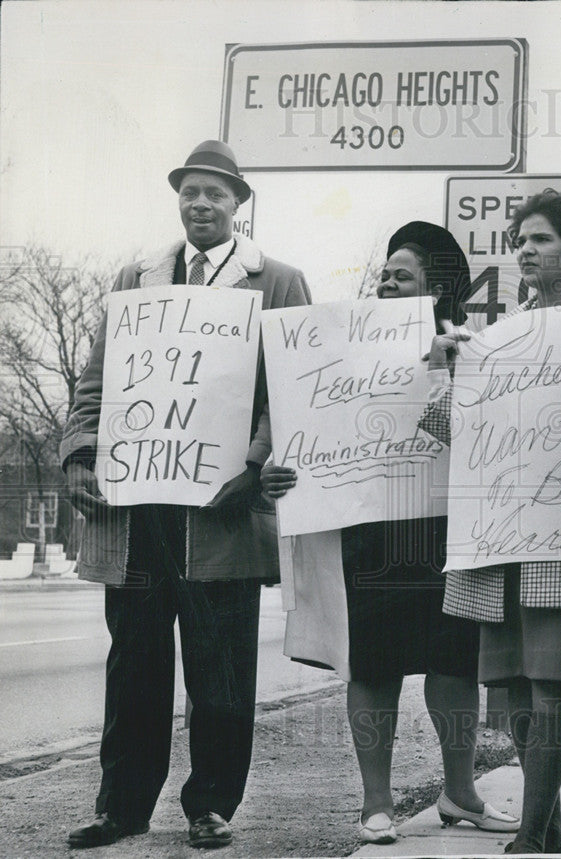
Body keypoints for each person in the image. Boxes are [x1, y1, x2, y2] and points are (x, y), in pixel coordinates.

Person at [61, 140, 311, 850]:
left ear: (240, 203)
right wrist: (81, 456)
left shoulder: (277, 281)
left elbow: (292, 389)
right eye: (190, 192)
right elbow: (94, 384)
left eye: (216, 194)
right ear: (179, 199)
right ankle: (124, 804)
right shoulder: (135, 278)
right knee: (134, 661)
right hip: (138, 507)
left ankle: (210, 804)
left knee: (220, 666)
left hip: (222, 510)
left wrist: (257, 464)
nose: (201, 204)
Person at [261, 221, 519, 846]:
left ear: (439, 288)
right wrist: (279, 470)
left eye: (402, 276)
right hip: (370, 527)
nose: (386, 282)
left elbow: (495, 437)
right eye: (385, 274)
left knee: (454, 663)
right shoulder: (337, 351)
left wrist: (445, 370)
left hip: (445, 525)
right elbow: (302, 430)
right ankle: (376, 803)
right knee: (372, 666)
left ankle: (459, 792)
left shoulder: (473, 348)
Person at [423, 191, 561, 853]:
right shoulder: (497, 336)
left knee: (556, 682)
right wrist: (439, 366)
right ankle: (548, 832)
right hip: (501, 538)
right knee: (514, 688)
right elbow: (453, 429)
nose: (525, 248)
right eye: (520, 238)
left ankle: (530, 834)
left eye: (542, 239)